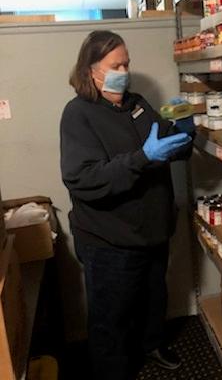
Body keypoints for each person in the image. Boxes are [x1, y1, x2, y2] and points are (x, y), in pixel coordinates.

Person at [60, 30, 194, 380]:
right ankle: (112, 371)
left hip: (153, 229)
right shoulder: (79, 114)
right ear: (92, 70)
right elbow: (83, 179)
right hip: (110, 240)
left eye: (127, 63)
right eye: (115, 64)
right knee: (111, 317)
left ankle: (152, 344)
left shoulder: (136, 104)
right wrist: (141, 158)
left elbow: (162, 144)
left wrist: (183, 132)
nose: (124, 70)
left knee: (153, 298)